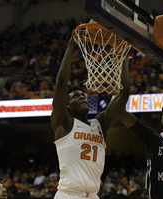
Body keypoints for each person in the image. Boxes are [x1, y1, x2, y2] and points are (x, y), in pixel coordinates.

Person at [51, 30, 130, 199]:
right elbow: (61, 83)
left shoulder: (100, 123)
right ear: (66, 106)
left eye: (83, 95)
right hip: (68, 195)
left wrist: (122, 59)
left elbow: (123, 95)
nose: (82, 96)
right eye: (76, 96)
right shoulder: (63, 123)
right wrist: (71, 46)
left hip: (93, 195)